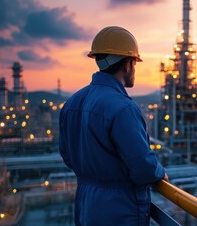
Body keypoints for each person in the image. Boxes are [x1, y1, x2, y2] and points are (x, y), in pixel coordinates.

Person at [59, 26, 168, 225]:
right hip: (118, 211)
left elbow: (67, 156)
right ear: (127, 64)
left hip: (86, 206)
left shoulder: (72, 103)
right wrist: (159, 172)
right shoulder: (122, 108)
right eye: (135, 63)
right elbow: (143, 167)